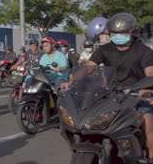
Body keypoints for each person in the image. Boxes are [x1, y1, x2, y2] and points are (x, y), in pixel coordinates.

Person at [61, 13, 153, 162]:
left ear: (134, 32)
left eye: (123, 33)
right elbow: (89, 66)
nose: (118, 36)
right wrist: (72, 80)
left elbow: (150, 71)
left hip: (137, 95)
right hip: (110, 95)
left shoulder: (144, 51)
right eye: (115, 33)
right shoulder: (104, 50)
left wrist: (147, 87)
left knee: (148, 125)